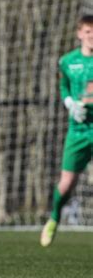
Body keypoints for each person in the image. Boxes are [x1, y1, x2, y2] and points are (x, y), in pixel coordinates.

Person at [40, 15, 93, 247]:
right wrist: (71, 103)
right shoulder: (67, 61)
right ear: (79, 34)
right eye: (88, 32)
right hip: (78, 131)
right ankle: (54, 217)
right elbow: (64, 88)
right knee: (67, 183)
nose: (92, 36)